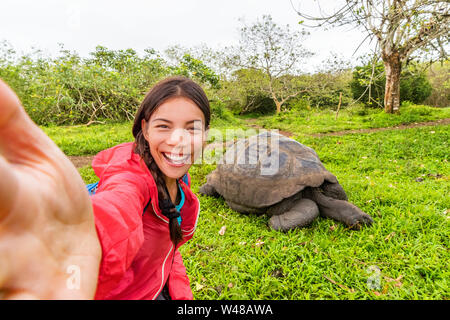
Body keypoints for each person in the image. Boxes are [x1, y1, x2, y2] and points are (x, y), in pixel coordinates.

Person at [0, 76, 210, 299]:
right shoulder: (131, 179)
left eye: (192, 129)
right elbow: (118, 207)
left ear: (206, 134)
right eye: (164, 127)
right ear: (146, 130)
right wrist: (88, 237)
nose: (178, 140)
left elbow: (169, 250)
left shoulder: (180, 179)